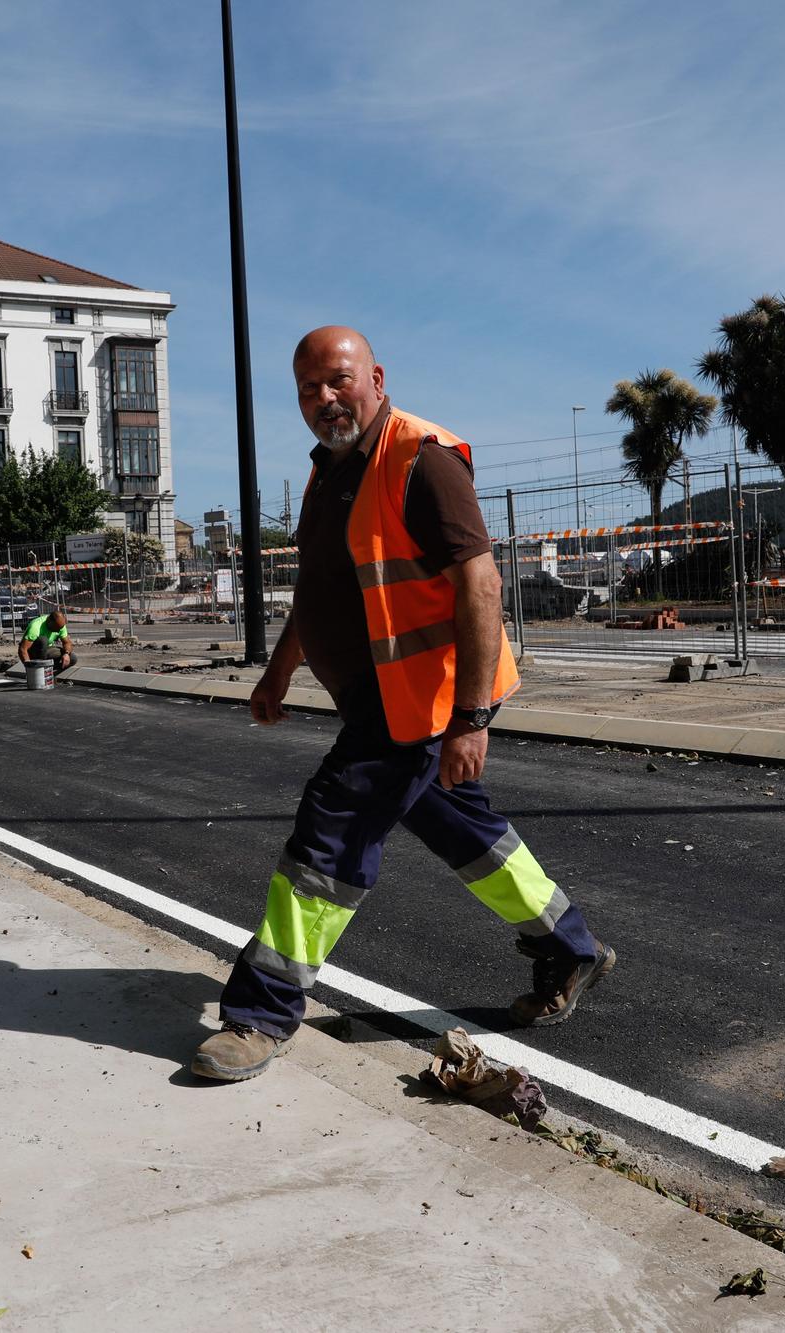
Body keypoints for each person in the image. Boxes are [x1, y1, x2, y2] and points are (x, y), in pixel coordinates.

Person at [192, 326, 615, 1082]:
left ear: (375, 376)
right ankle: (569, 944)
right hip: (376, 700)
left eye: (338, 380)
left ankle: (260, 1012)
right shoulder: (331, 471)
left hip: (420, 705)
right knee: (463, 827)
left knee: (330, 833)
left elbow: (480, 588)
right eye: (307, 390)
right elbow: (325, 592)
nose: (324, 399)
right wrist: (280, 669)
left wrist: (472, 716)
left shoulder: (421, 459)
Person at [18, 606, 76, 672]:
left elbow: (67, 642)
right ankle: (39, 670)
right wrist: (29, 669)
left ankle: (50, 673)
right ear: (49, 622)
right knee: (43, 641)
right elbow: (23, 649)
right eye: (56, 628)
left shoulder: (60, 626)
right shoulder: (35, 626)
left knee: (73, 658)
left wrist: (66, 654)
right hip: (33, 653)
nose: (58, 631)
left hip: (47, 650)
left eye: (60, 628)